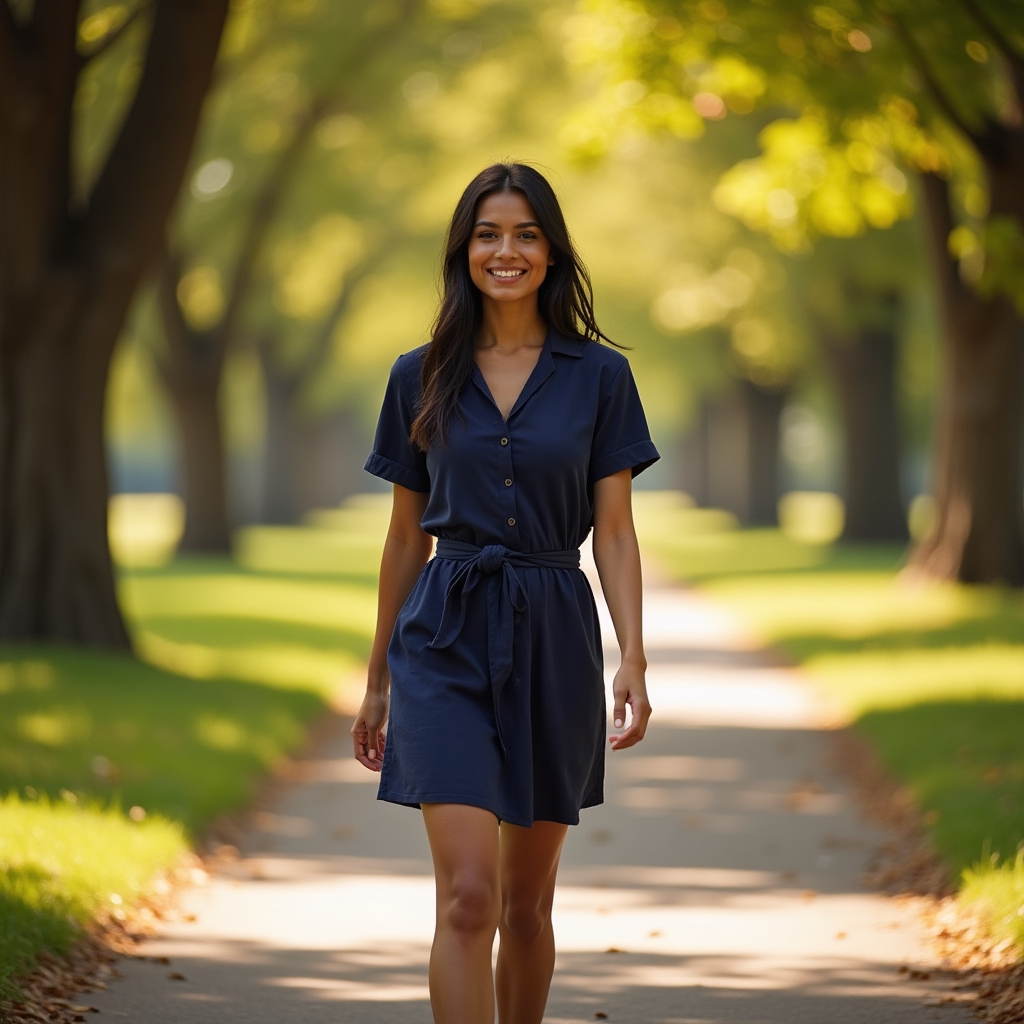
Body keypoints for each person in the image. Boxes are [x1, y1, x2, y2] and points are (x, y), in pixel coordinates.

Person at [352, 162, 659, 1024]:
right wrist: (378, 676)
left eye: (525, 233)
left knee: (526, 908)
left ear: (553, 252)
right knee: (468, 901)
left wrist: (632, 656)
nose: (506, 251)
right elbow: (406, 535)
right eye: (488, 233)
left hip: (555, 633)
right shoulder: (418, 375)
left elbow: (618, 530)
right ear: (464, 250)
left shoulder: (601, 378)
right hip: (444, 636)